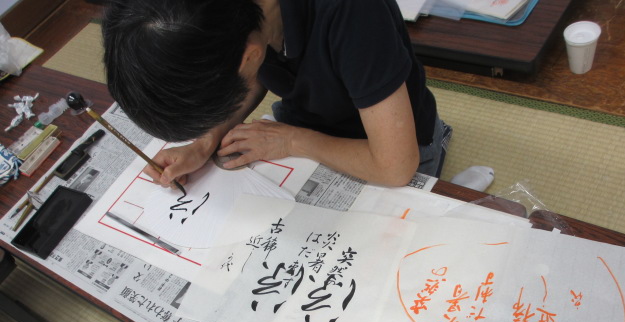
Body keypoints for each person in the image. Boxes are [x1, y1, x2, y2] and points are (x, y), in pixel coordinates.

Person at [101, 0, 451, 188]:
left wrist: (293, 141)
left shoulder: (351, 12)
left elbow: (394, 167)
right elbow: (245, 74)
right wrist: (204, 143)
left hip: (392, 145)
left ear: (250, 56)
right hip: (305, 121)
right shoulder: (232, 20)